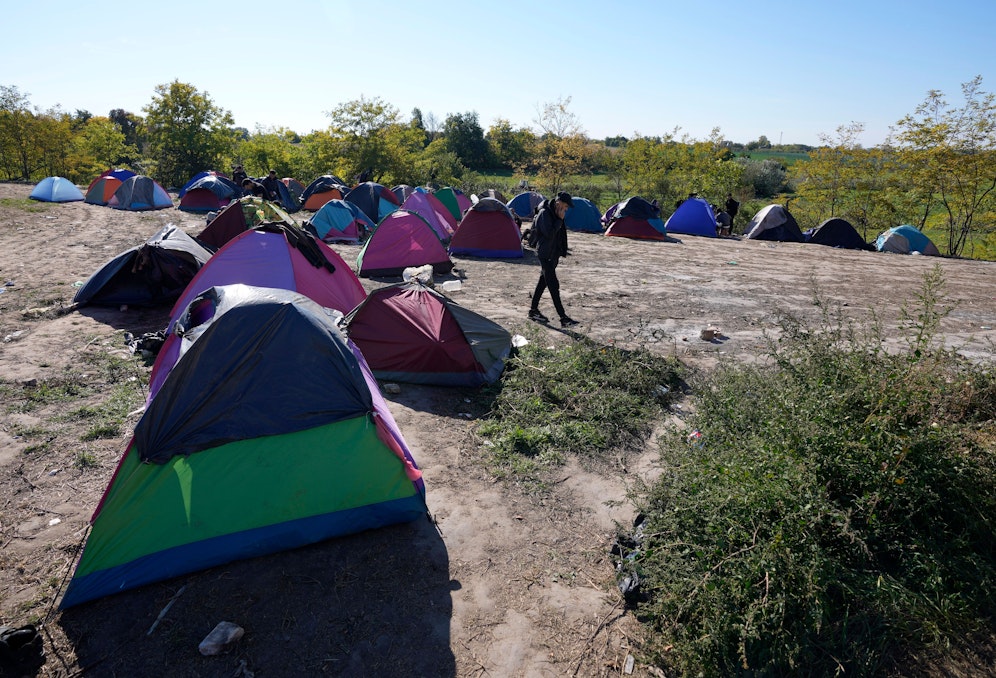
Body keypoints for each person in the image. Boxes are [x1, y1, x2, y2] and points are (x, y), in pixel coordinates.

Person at [528, 191, 578, 328]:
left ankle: (533, 311)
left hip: (552, 254)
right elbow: (549, 234)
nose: (566, 209)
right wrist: (560, 220)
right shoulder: (545, 213)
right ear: (558, 203)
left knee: (542, 282)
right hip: (545, 255)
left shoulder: (556, 214)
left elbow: (559, 236)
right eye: (565, 206)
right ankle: (563, 318)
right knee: (553, 286)